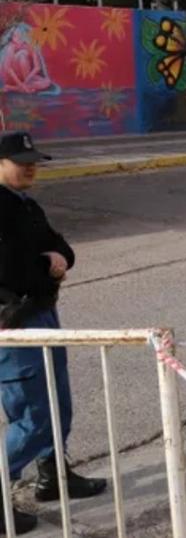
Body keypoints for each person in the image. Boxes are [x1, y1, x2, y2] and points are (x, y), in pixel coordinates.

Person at [0, 132, 107, 535]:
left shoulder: (24, 205)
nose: (30, 166)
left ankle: (53, 475)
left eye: (33, 159)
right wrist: (48, 263)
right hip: (14, 318)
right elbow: (9, 270)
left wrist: (54, 256)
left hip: (41, 313)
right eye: (20, 160)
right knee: (33, 415)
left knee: (57, 403)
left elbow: (64, 249)